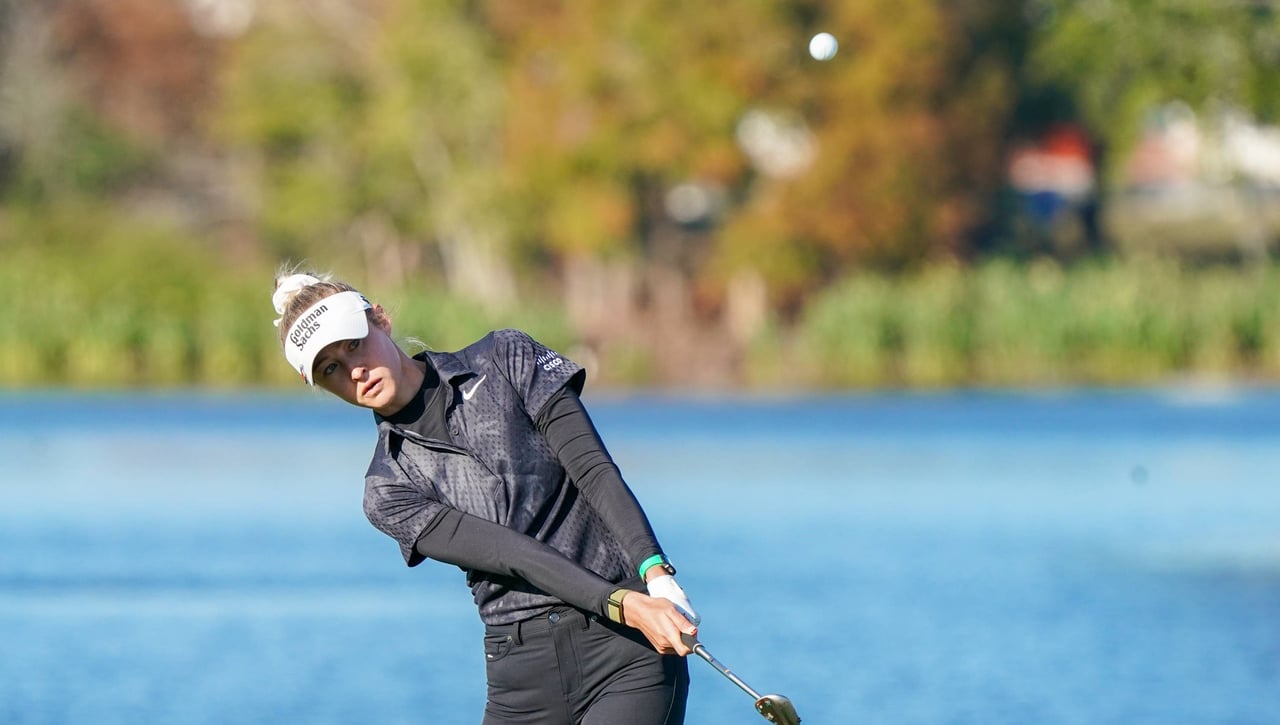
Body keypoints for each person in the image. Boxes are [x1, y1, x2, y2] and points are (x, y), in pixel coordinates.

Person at [271, 270, 700, 725]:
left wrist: (655, 573)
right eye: (330, 369)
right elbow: (508, 552)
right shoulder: (386, 489)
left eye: (354, 344)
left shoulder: (505, 359)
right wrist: (625, 603)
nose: (353, 370)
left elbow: (594, 470)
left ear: (380, 320)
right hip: (523, 675)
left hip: (627, 650)